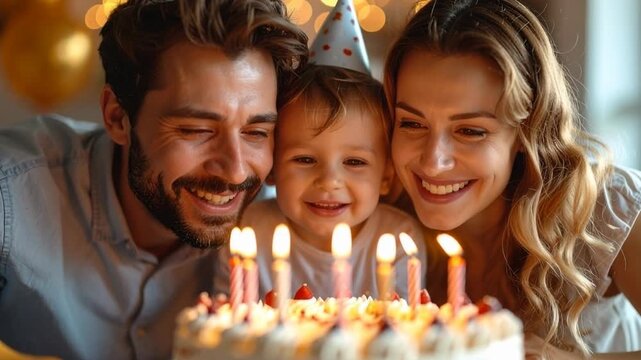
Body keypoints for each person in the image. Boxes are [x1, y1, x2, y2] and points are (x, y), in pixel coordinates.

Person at [0, 0, 307, 359]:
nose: (236, 171)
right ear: (117, 117)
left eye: (256, 132)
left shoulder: (288, 223)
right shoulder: (12, 197)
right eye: (196, 130)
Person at [383, 0, 641, 358]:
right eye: (412, 123)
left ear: (526, 132)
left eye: (470, 131)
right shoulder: (380, 224)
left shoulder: (602, 206)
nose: (433, 161)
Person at [228, 64, 427, 301]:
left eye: (354, 162)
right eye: (305, 159)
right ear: (271, 166)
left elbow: (405, 330)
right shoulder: (247, 229)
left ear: (386, 176)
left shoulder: (399, 240)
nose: (329, 181)